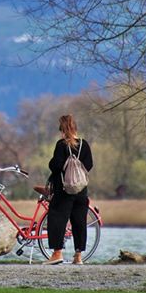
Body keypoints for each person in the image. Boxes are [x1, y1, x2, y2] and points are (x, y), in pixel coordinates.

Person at [44, 114, 93, 265]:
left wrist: (53, 163)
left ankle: (57, 253)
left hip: (63, 191)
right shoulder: (84, 145)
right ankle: (78, 256)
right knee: (79, 221)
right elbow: (89, 165)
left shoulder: (61, 145)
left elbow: (56, 166)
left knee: (57, 219)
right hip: (81, 190)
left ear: (62, 130)